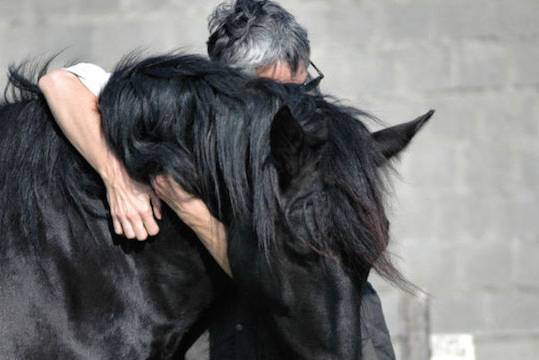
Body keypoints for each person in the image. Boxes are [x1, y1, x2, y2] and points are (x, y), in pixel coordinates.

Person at [39, 1, 395, 358]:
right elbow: (60, 84)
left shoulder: (318, 140)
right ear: (229, 87)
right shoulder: (202, 118)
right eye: (275, 95)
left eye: (303, 86)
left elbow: (280, 266)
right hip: (234, 328)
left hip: (333, 315)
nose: (299, 105)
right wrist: (118, 178)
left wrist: (194, 213)